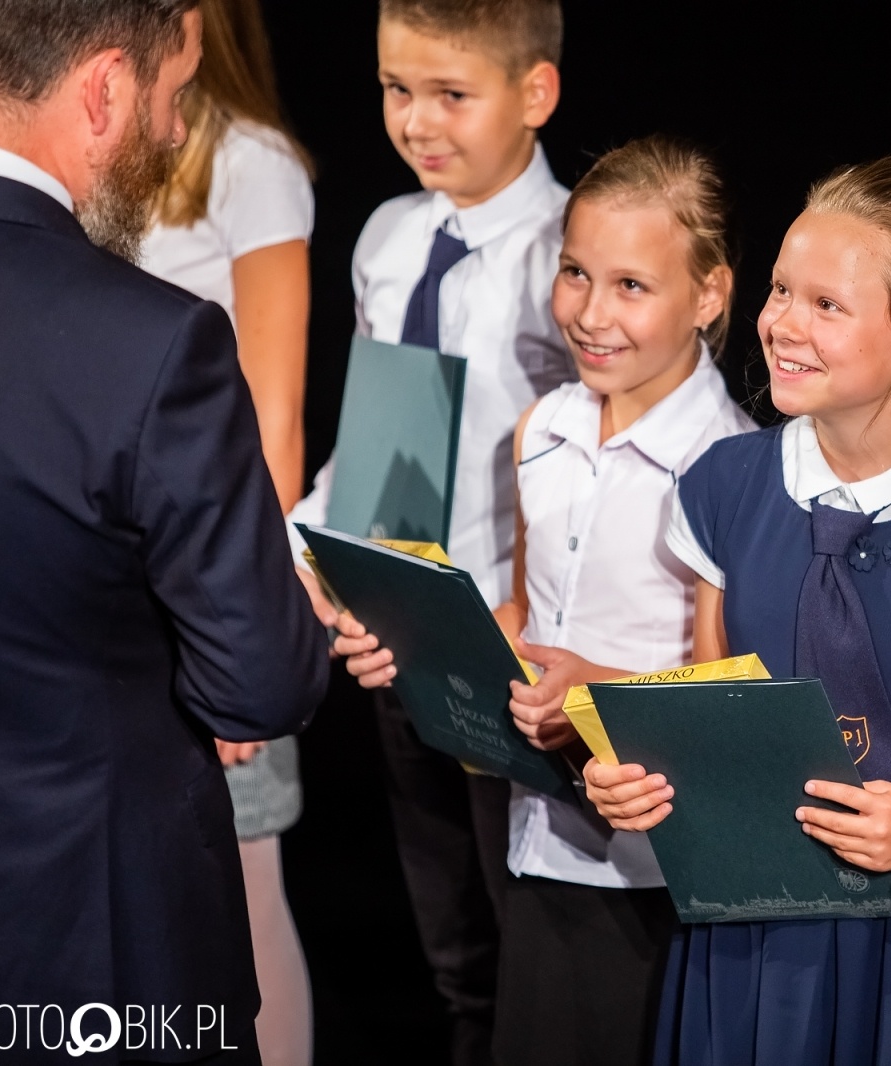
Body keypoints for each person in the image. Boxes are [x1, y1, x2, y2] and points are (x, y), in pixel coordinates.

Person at [584, 134, 891, 1065]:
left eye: (827, 305)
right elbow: (712, 697)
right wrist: (631, 768)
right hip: (745, 937)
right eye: (780, 291)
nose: (783, 324)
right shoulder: (726, 484)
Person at [0, 0, 330, 1061]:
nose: (173, 134)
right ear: (106, 90)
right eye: (172, 100)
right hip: (93, 954)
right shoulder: (155, 345)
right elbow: (258, 684)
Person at [348, 133, 755, 1066]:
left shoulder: (727, 467)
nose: (591, 312)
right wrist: (412, 645)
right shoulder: (544, 426)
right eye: (575, 273)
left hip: (654, 867)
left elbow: (722, 686)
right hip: (535, 836)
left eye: (631, 286)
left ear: (710, 294)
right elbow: (524, 620)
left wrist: (586, 691)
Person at [286, 1, 571, 1061]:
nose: (416, 120)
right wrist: (328, 567)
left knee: (534, 941)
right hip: (401, 643)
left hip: (517, 655)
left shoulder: (574, 253)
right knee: (452, 944)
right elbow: (376, 448)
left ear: (533, 93)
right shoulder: (394, 238)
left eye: (452, 93)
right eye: (396, 89)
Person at [138, 0, 317, 1061]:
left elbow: (275, 419)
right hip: (125, 578)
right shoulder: (98, 149)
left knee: (244, 883)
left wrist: (227, 610)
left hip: (206, 576)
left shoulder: (251, 162)